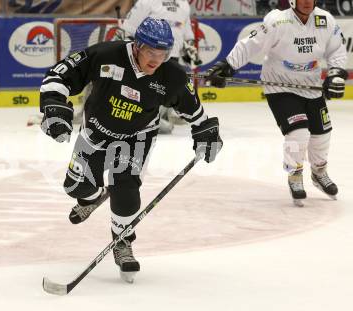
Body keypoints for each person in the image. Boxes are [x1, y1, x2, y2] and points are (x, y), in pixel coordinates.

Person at [39, 17, 222, 282]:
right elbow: (59, 74)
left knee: (126, 188)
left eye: (163, 54)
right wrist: (54, 103)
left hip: (136, 137)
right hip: (95, 131)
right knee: (76, 188)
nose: (156, 60)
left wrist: (206, 130)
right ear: (137, 45)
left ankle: (122, 241)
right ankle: (94, 197)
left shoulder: (171, 76)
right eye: (150, 52)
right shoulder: (105, 54)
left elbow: (194, 111)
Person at [205, 0, 347, 206]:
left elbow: (337, 50)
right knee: (298, 132)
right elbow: (250, 44)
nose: (307, 2)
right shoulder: (277, 21)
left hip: (311, 86)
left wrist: (335, 74)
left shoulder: (325, 20)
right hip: (280, 86)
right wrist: (227, 66)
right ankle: (295, 174)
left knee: (321, 134)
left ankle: (319, 173)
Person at [115, 0, 202, 134]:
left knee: (169, 89)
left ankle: (160, 117)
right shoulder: (147, 1)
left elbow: (186, 29)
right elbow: (128, 29)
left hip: (172, 56)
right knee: (146, 90)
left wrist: (189, 47)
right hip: (149, 57)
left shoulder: (183, 3)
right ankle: (144, 119)